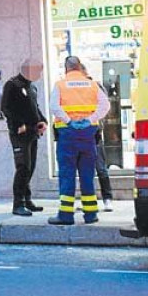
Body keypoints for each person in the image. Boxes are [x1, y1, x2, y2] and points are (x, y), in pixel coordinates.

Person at [48, 56, 110, 225]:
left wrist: (69, 121)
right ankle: (91, 214)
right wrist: (89, 120)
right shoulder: (92, 85)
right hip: (88, 135)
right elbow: (105, 106)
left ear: (66, 68)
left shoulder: (60, 85)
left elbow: (54, 106)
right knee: (87, 174)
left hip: (67, 134)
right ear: (80, 67)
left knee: (67, 174)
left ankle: (66, 215)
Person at [0, 58, 47, 216]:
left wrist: (42, 121)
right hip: (19, 133)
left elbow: (35, 108)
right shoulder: (12, 85)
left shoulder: (31, 87)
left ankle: (27, 200)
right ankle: (17, 204)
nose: (39, 74)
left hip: (33, 132)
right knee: (23, 167)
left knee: (31, 167)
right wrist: (18, 124)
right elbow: (5, 108)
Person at [81, 64, 114, 212]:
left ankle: (107, 199)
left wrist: (93, 121)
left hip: (93, 133)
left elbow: (104, 107)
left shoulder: (95, 86)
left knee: (100, 168)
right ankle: (88, 200)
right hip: (79, 133)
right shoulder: (75, 88)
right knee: (85, 170)